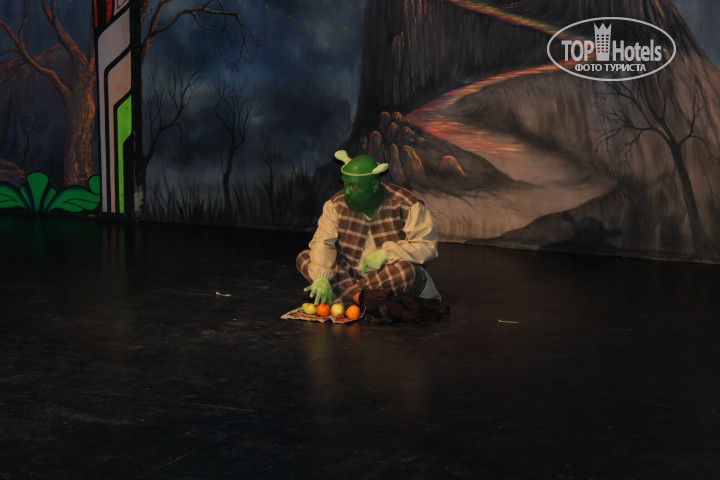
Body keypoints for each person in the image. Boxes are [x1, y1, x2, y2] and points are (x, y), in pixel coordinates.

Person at [296, 150, 441, 312]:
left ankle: (347, 294)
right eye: (345, 184)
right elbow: (323, 242)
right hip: (349, 271)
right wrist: (322, 277)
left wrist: (387, 253)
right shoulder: (336, 204)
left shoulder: (406, 204)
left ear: (374, 186)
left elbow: (427, 246)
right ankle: (364, 298)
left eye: (354, 186)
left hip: (386, 273)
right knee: (305, 257)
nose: (347, 192)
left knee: (405, 272)